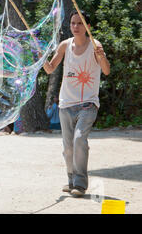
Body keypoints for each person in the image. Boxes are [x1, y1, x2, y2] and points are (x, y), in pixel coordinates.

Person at [43, 10, 110, 197]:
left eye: (80, 23)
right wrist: (41, 57)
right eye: (73, 23)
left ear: (88, 27)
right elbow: (49, 69)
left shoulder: (95, 45)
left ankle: (80, 184)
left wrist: (102, 56)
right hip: (66, 104)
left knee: (79, 139)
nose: (75, 27)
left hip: (88, 104)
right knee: (68, 147)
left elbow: (105, 71)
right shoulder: (65, 45)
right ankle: (71, 179)